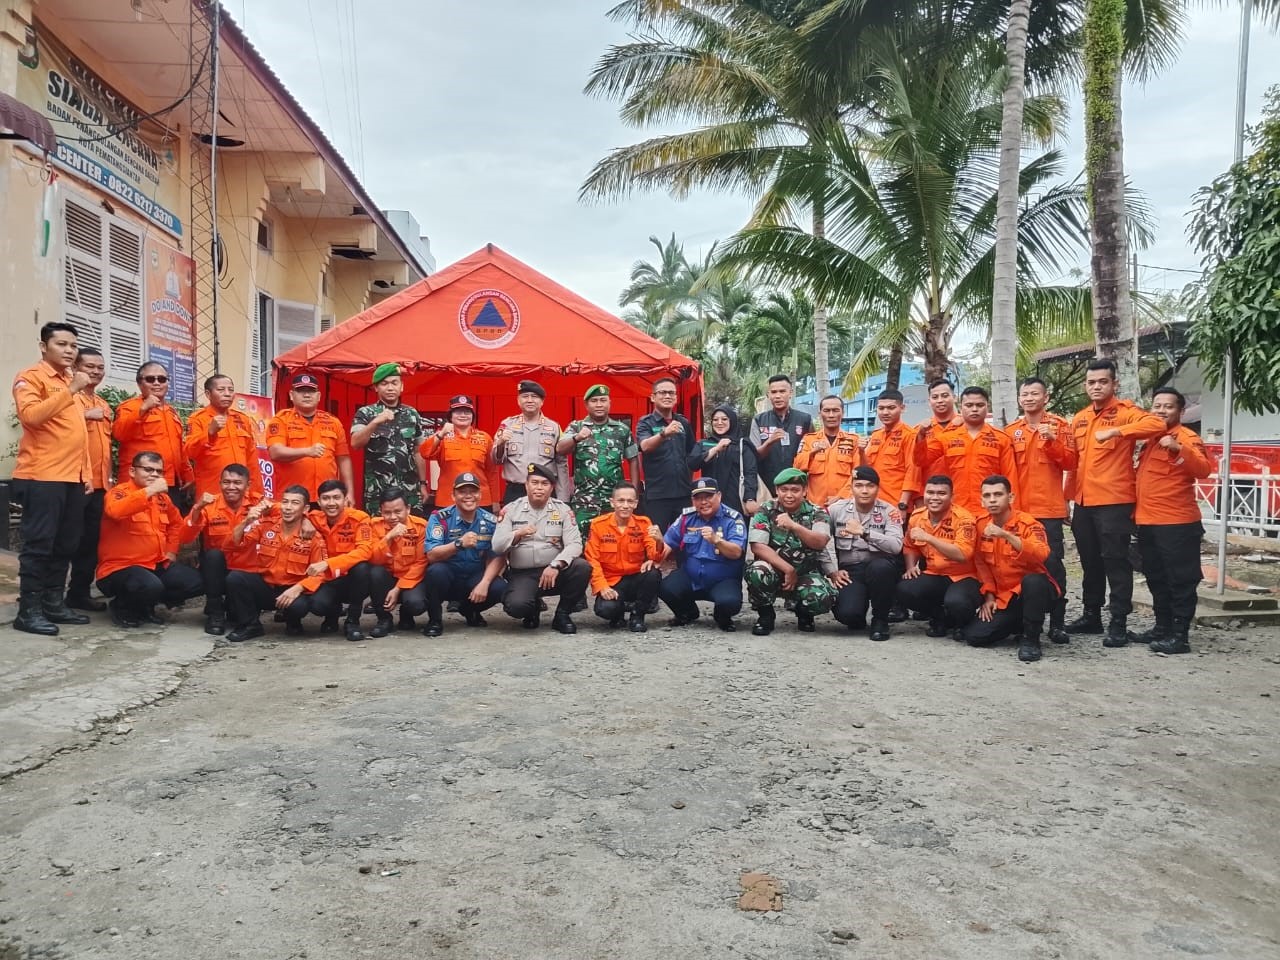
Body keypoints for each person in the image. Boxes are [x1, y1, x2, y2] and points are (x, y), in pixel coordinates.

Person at [1066, 358, 1166, 646]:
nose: (1096, 386)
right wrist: (1066, 500)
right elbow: (1075, 462)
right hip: (1083, 502)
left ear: (1114, 384)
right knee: (1089, 562)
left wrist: (1117, 431)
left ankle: (1118, 622)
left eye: (1102, 382)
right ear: (1086, 386)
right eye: (1091, 382)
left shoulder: (1125, 412)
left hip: (1113, 502)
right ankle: (1091, 616)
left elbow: (1156, 423)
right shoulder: (1081, 417)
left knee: (1116, 562)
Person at [11, 321, 93, 634]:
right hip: (42, 475)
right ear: (44, 346)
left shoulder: (72, 379)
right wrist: (71, 390)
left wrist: (86, 474)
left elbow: (78, 435)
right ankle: (28, 611)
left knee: (66, 543)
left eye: (73, 345)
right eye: (61, 344)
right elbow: (31, 417)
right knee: (39, 545)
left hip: (72, 478)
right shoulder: (32, 377)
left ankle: (53, 604)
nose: (69, 350)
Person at [1134, 388, 1214, 655]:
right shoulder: (1151, 440)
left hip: (1177, 523)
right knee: (1156, 577)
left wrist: (1179, 448)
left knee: (1181, 579)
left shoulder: (1187, 437)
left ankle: (1180, 636)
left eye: (1168, 406)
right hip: (1148, 521)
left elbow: (1203, 470)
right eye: (1156, 406)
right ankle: (1162, 628)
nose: (1161, 411)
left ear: (1180, 412)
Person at [1005, 377, 1077, 644]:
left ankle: (1057, 623)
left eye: (1035, 393)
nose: (1030, 398)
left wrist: (1053, 441)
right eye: (1025, 394)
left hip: (1049, 509)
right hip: (1019, 510)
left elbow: (1071, 461)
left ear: (1045, 397)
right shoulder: (1011, 431)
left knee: (1053, 564)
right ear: (1019, 399)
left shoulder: (1059, 426)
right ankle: (1022, 619)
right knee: (1018, 564)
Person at [96, 452, 204, 629]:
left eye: (158, 471)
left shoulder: (162, 499)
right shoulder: (119, 492)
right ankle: (122, 607)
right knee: (149, 585)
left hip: (155, 564)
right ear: (132, 471)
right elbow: (114, 511)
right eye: (148, 469)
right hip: (120, 568)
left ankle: (146, 606)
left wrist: (171, 551)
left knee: (197, 582)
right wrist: (149, 491)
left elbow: (176, 525)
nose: (154, 474)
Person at [964, 476, 1060, 663]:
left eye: (998, 494)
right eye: (987, 495)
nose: (992, 499)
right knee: (975, 636)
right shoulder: (981, 525)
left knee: (1033, 581)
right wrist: (989, 596)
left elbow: (1042, 554)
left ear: (1011, 497)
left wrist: (1006, 535)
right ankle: (1018, 624)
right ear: (982, 501)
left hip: (1036, 592)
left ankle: (1032, 639)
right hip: (1006, 597)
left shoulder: (1028, 523)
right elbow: (981, 564)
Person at [491, 463, 591, 633]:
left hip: (553, 572)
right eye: (534, 483)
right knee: (516, 607)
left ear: (552, 487)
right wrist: (517, 534)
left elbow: (575, 544)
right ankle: (532, 608)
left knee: (582, 567)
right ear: (526, 485)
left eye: (544, 484)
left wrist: (556, 564)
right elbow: (497, 546)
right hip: (524, 573)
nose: (539, 488)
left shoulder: (563, 511)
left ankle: (562, 615)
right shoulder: (511, 510)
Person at [224, 484, 327, 642]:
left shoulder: (313, 537)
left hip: (292, 591)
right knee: (235, 578)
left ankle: (293, 621)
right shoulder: (266, 526)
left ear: (305, 509)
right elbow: (231, 546)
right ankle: (250, 625)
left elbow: (319, 574)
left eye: (294, 503)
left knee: (299, 607)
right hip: (266, 588)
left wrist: (297, 589)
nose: (288, 507)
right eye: (285, 502)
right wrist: (246, 521)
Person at [745, 468, 836, 635]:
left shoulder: (818, 512)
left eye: (795, 490)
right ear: (777, 491)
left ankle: (803, 613)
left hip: (805, 574)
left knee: (824, 598)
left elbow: (820, 542)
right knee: (756, 571)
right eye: (784, 490)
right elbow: (757, 546)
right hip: (774, 571)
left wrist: (795, 526)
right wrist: (788, 569)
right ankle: (766, 615)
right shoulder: (765, 510)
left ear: (804, 491)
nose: (789, 495)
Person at [184, 463, 272, 635]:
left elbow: (291, 512)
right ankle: (215, 612)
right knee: (213, 556)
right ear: (220, 483)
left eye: (237, 483)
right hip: (218, 570)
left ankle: (236, 606)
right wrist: (197, 508)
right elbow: (185, 537)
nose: (231, 487)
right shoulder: (209, 505)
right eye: (226, 482)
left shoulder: (261, 504)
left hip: (249, 570)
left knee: (236, 615)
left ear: (248, 485)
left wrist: (306, 519)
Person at [422, 472, 508, 637]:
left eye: (473, 492)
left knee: (499, 587)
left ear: (480, 495)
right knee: (435, 572)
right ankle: (435, 620)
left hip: (473, 578)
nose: (468, 496)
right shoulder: (440, 519)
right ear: (453, 496)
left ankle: (469, 610)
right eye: (462, 492)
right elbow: (431, 555)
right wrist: (458, 544)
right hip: (448, 577)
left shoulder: (490, 521)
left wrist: (484, 582)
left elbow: (498, 556)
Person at [895, 475, 981, 640]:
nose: (934, 497)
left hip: (963, 576)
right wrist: (911, 567)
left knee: (957, 602)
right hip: (934, 573)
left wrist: (929, 538)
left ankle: (962, 623)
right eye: (930, 492)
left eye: (941, 493)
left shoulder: (963, 519)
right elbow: (910, 546)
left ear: (951, 497)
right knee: (904, 590)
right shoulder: (917, 517)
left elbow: (963, 554)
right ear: (924, 495)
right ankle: (940, 618)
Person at [657, 477, 748, 631]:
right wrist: (657, 549)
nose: (703, 502)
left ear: (719, 496)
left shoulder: (733, 519)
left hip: (722, 579)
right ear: (692, 500)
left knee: (729, 603)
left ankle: (721, 616)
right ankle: (688, 613)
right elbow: (668, 544)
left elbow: (736, 552)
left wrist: (717, 540)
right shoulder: (687, 518)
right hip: (691, 577)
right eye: (698, 498)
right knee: (663, 586)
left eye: (708, 496)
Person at [825, 466, 903, 641]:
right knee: (847, 614)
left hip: (880, 570)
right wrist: (833, 571)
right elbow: (824, 543)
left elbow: (896, 546)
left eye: (870, 486)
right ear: (851, 487)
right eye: (859, 485)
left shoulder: (889, 511)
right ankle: (858, 613)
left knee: (881, 568)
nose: (865, 490)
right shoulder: (836, 510)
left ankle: (880, 620)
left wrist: (865, 533)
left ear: (878, 488)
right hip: (850, 571)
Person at [915, 386, 1019, 515]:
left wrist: (1012, 512)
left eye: (980, 405)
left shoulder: (1001, 439)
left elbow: (1011, 477)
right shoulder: (946, 438)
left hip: (990, 511)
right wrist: (921, 436)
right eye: (969, 405)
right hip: (956, 510)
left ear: (988, 406)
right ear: (960, 406)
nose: (974, 409)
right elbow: (921, 461)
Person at [558, 384, 640, 532]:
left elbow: (633, 459)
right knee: (583, 543)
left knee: (615, 539)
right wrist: (577, 438)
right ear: (586, 405)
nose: (599, 404)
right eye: (594, 401)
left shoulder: (622, 429)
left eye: (603, 400)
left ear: (610, 403)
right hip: (585, 500)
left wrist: (633, 492)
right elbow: (560, 449)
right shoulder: (577, 426)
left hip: (615, 500)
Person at [67, 346, 112, 613]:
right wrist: (83, 416)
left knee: (90, 542)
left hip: (99, 485)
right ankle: (45, 596)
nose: (95, 372)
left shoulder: (103, 404)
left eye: (99, 367)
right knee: (67, 540)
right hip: (74, 481)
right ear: (75, 368)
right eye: (89, 367)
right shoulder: (70, 398)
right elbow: (56, 424)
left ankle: (79, 594)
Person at [113, 361, 194, 510]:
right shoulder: (129, 407)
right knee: (141, 528)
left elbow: (178, 447)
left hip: (169, 482)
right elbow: (119, 434)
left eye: (162, 379)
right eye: (150, 379)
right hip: (140, 483)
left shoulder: (171, 412)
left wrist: (187, 473)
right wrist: (143, 409)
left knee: (168, 528)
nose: (157, 383)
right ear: (139, 383)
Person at [584, 483, 664, 632]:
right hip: (612, 581)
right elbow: (592, 559)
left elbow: (655, 556)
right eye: (621, 501)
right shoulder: (598, 525)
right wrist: (602, 587)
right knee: (605, 609)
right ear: (612, 502)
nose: (625, 505)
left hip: (635, 578)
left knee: (653, 573)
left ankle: (637, 616)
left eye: (630, 501)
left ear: (636, 503)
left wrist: (659, 541)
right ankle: (617, 615)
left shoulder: (644, 523)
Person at [350, 363, 429, 515]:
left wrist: (423, 483)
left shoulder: (412, 413)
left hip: (409, 488)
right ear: (376, 388)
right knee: (379, 532)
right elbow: (355, 443)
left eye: (394, 383)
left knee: (412, 531)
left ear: (402, 386)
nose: (390, 388)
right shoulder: (365, 413)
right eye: (384, 383)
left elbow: (418, 451)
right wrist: (375, 422)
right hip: (378, 491)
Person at [267, 373, 355, 504]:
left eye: (311, 391)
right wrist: (307, 452)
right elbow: (275, 452)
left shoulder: (333, 422)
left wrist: (350, 493)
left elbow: (343, 459)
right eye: (301, 391)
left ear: (319, 396)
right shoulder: (281, 420)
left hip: (327, 498)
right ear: (291, 395)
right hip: (294, 499)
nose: (307, 395)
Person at [306, 478, 375, 642]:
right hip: (327, 580)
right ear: (319, 502)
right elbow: (283, 508)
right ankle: (332, 615)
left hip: (352, 580)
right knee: (317, 606)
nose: (331, 503)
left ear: (345, 500)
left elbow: (365, 551)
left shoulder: (360, 519)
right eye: (326, 498)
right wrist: (303, 518)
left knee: (362, 567)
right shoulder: (313, 518)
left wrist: (328, 564)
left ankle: (353, 621)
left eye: (336, 498)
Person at [184, 374, 263, 502]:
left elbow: (252, 460)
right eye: (221, 390)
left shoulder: (242, 419)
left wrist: (257, 493)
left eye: (230, 390)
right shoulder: (198, 419)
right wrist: (209, 433)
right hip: (212, 492)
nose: (227, 394)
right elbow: (190, 452)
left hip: (241, 493)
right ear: (208, 394)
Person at [365, 487, 430, 637]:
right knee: (374, 572)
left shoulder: (420, 527)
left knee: (416, 605)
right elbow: (373, 558)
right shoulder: (374, 526)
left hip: (410, 578)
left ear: (408, 509)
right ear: (381, 511)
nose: (392, 517)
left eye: (397, 511)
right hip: (385, 578)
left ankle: (406, 613)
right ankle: (384, 619)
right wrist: (388, 538)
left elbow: (421, 563)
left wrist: (398, 589)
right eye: (387, 512)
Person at [419, 394, 501, 512]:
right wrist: (441, 434)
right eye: (458, 412)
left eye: (467, 412)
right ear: (450, 416)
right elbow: (425, 453)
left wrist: (495, 501)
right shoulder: (441, 437)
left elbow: (492, 471)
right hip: (448, 500)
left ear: (472, 416)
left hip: (480, 500)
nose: (463, 415)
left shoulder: (484, 438)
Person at [636, 377, 696, 532]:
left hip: (683, 494)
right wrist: (664, 434)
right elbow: (645, 446)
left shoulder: (683, 422)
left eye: (671, 393)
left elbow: (691, 455)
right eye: (662, 392)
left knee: (685, 540)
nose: (667, 396)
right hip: (657, 495)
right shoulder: (645, 422)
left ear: (676, 397)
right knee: (655, 541)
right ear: (653, 397)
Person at [493, 380, 566, 504]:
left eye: (534, 397)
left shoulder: (554, 427)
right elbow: (496, 460)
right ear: (518, 400)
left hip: (544, 490)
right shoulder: (507, 424)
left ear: (542, 401)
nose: (530, 400)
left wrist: (563, 497)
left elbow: (561, 463)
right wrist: (500, 443)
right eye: (525, 396)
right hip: (515, 491)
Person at [689, 404, 759, 517]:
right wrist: (715, 449)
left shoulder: (742, 444)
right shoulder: (704, 443)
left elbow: (750, 473)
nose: (719, 422)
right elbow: (693, 464)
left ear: (732, 421)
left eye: (724, 419)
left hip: (735, 501)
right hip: (709, 501)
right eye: (715, 420)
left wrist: (750, 498)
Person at [751, 374, 814, 499]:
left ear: (790, 393)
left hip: (797, 488)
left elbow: (811, 453)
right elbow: (754, 456)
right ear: (768, 395)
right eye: (774, 392)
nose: (778, 396)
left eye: (782, 391)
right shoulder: (759, 420)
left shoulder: (804, 420)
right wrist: (769, 442)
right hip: (768, 488)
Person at [794, 395, 862, 507]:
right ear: (820, 414)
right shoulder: (809, 439)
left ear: (843, 413)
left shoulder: (854, 440)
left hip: (845, 504)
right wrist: (812, 452)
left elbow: (857, 473)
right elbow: (796, 468)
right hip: (815, 506)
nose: (831, 415)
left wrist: (841, 497)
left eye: (835, 411)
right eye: (826, 411)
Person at [862, 389, 919, 512]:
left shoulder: (910, 435)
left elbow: (912, 472)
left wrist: (902, 505)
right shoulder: (876, 435)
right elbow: (867, 468)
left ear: (902, 408)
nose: (885, 412)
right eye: (881, 408)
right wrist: (861, 451)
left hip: (895, 505)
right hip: (873, 503)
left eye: (891, 408)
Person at [912, 379, 965, 486]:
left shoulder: (966, 425)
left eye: (945, 396)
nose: (940, 400)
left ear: (954, 398)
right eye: (935, 397)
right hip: (932, 493)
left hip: (961, 489)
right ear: (929, 401)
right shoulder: (919, 430)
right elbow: (915, 468)